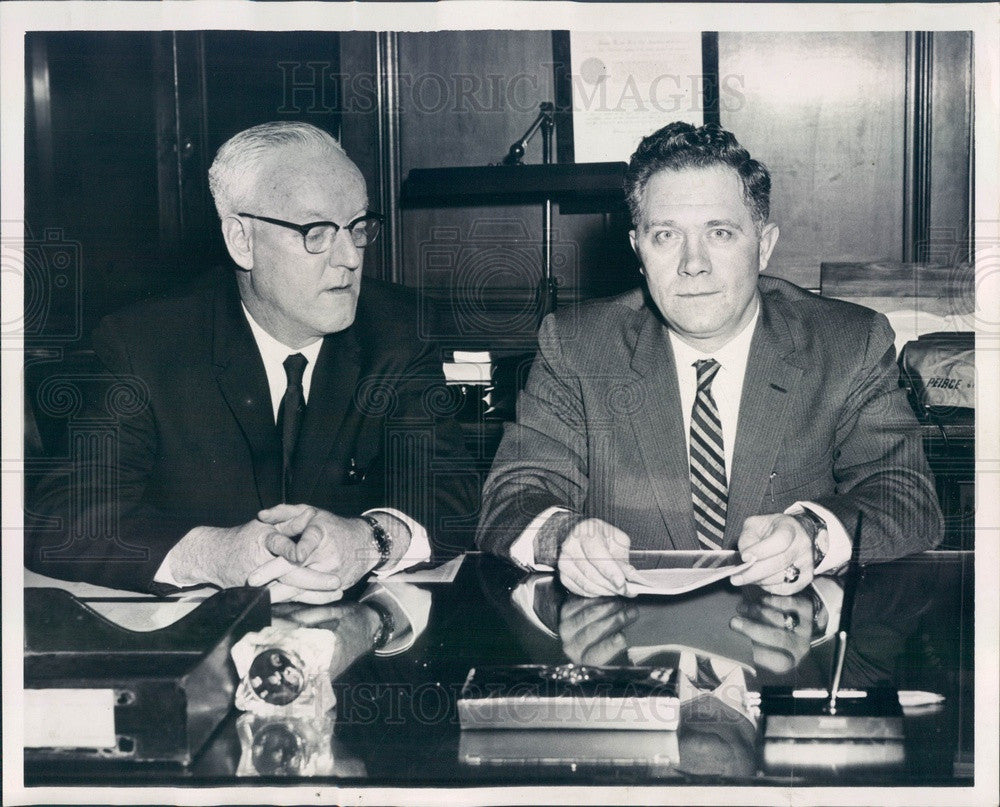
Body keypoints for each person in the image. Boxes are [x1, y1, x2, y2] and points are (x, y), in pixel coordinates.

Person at [477, 121, 943, 598]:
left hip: (786, 643)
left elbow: (906, 495)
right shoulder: (578, 346)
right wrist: (563, 537)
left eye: (719, 233)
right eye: (665, 236)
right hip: (628, 646)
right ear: (638, 249)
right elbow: (512, 496)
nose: (692, 262)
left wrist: (813, 532)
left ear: (763, 246)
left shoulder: (847, 342)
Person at [27, 121, 477, 601]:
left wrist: (370, 542)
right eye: (317, 232)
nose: (349, 257)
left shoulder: (398, 331)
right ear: (242, 240)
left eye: (359, 227)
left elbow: (450, 493)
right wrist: (216, 555)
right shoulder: (145, 344)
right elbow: (62, 518)